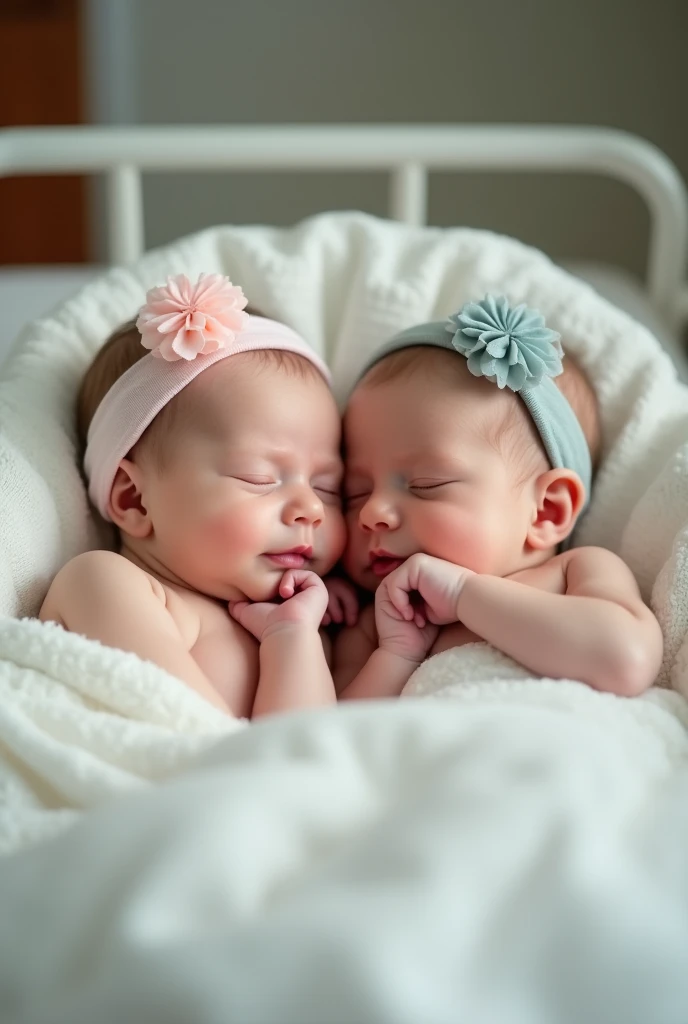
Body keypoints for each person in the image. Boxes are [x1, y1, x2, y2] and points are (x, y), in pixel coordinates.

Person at [40, 273, 346, 719]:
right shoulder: (104, 582)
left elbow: (311, 752)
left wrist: (294, 638)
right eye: (260, 478)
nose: (312, 509)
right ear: (135, 501)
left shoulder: (309, 617)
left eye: (328, 488)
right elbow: (188, 732)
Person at [332, 294, 663, 700]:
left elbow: (626, 660)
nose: (372, 512)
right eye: (354, 493)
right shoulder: (376, 624)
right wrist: (397, 653)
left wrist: (463, 595)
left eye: (425, 485)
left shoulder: (575, 574)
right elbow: (333, 731)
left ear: (546, 511)